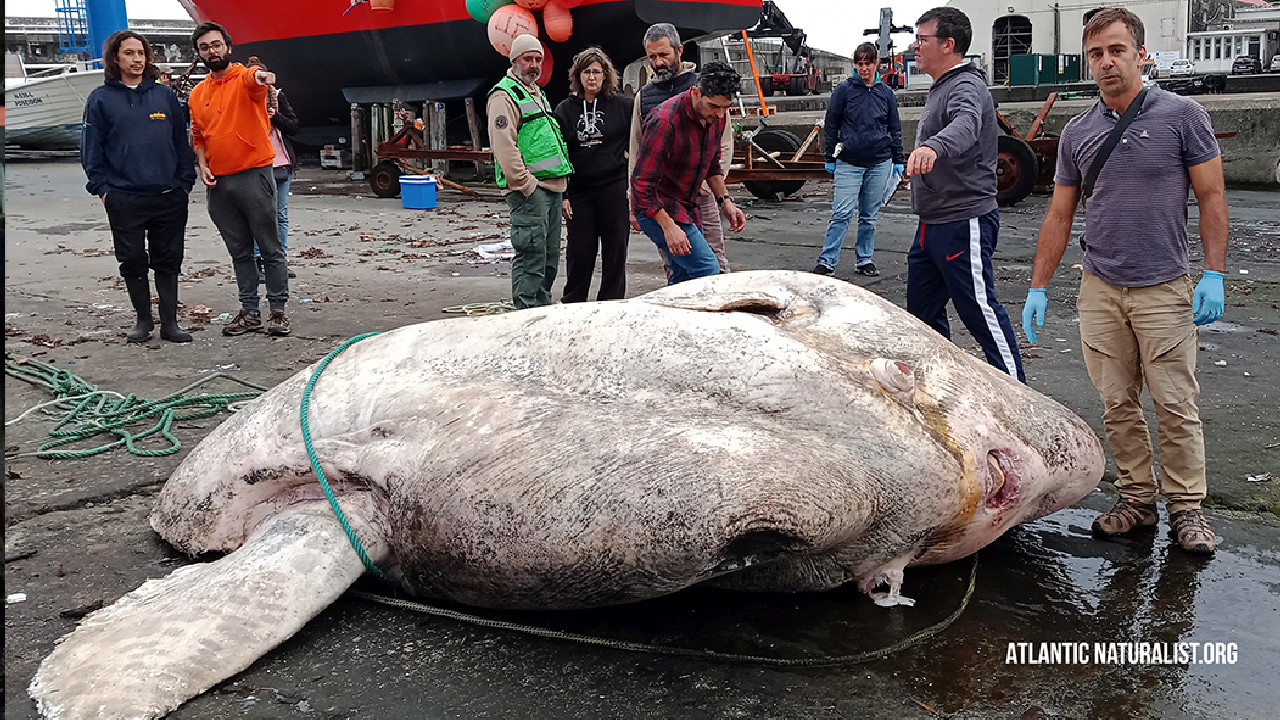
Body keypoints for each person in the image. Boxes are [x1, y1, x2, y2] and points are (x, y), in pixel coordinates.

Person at [1022, 8, 1227, 554]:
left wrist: (1214, 273)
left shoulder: (1183, 116)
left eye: (1117, 50)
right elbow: (1060, 214)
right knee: (1117, 403)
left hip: (1164, 285)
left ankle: (1188, 509)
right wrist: (1038, 286)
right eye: (1096, 53)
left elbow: (1211, 197)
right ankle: (1137, 499)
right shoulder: (1079, 132)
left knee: (1176, 404)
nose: (1107, 62)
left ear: (1140, 53)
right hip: (1101, 286)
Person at [904, 7, 1024, 383]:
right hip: (933, 221)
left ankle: (1019, 395)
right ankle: (939, 387)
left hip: (962, 219)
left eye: (922, 39)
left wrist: (933, 147)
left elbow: (967, 124)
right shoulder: (942, 87)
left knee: (979, 310)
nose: (914, 46)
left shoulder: (966, 87)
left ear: (948, 44)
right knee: (921, 314)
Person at [82, 30, 196, 344]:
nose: (136, 59)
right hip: (124, 197)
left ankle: (170, 324)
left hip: (168, 196)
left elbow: (180, 143)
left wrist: (184, 184)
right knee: (132, 260)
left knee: (168, 259)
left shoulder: (164, 96)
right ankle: (143, 320)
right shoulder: (100, 99)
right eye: (129, 53)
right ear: (115, 58)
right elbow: (91, 149)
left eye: (141, 53)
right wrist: (103, 189)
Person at [188, 21, 291, 336]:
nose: (212, 51)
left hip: (254, 174)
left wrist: (261, 77)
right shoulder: (197, 94)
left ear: (228, 48)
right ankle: (249, 312)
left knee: (270, 246)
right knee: (239, 251)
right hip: (219, 183)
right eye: (205, 47)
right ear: (199, 54)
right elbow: (199, 135)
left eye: (217, 45)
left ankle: (277, 311)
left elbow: (255, 79)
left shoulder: (245, 79)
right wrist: (202, 165)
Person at [628, 23, 734, 276]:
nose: (659, 62)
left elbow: (717, 156)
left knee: (706, 262)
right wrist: (634, 204)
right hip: (660, 200)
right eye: (652, 57)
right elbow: (637, 158)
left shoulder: (713, 99)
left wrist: (723, 198)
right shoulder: (654, 108)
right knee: (702, 266)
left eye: (663, 55)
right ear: (696, 95)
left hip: (699, 193)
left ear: (679, 51)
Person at [487, 34, 574, 309]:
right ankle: (525, 312)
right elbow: (504, 144)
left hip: (551, 188)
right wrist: (525, 184)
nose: (534, 65)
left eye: (538, 59)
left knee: (548, 257)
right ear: (514, 61)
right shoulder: (504, 96)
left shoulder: (537, 94)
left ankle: (542, 308)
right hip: (530, 190)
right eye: (528, 59)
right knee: (531, 254)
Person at [813, 42, 905, 277]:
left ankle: (864, 259)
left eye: (868, 63)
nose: (864, 68)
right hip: (849, 161)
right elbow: (832, 124)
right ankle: (827, 260)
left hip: (880, 162)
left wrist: (898, 159)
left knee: (869, 216)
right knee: (841, 213)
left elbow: (894, 127)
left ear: (876, 64)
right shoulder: (843, 91)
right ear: (855, 65)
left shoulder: (886, 94)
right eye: (859, 63)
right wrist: (830, 156)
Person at [553, 46, 631, 302]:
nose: (592, 77)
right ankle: (573, 301)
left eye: (597, 72)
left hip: (614, 186)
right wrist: (563, 194)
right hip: (579, 191)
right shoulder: (565, 109)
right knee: (580, 251)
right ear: (578, 75)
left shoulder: (623, 107)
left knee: (615, 249)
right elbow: (559, 153)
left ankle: (612, 301)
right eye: (586, 72)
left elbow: (641, 137)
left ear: (606, 75)